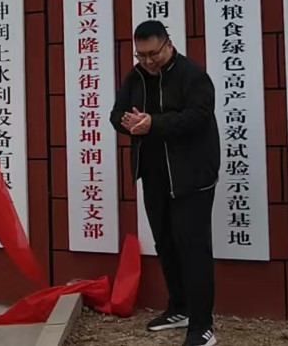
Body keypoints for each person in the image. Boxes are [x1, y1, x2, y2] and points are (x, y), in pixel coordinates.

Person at [109, 20, 221, 346]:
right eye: (141, 55)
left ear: (168, 45)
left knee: (194, 249)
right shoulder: (135, 77)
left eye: (153, 54)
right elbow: (116, 114)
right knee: (166, 243)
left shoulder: (192, 75)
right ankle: (179, 307)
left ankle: (201, 325)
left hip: (192, 178)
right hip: (154, 176)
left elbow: (198, 116)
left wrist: (153, 124)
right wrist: (129, 123)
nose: (147, 61)